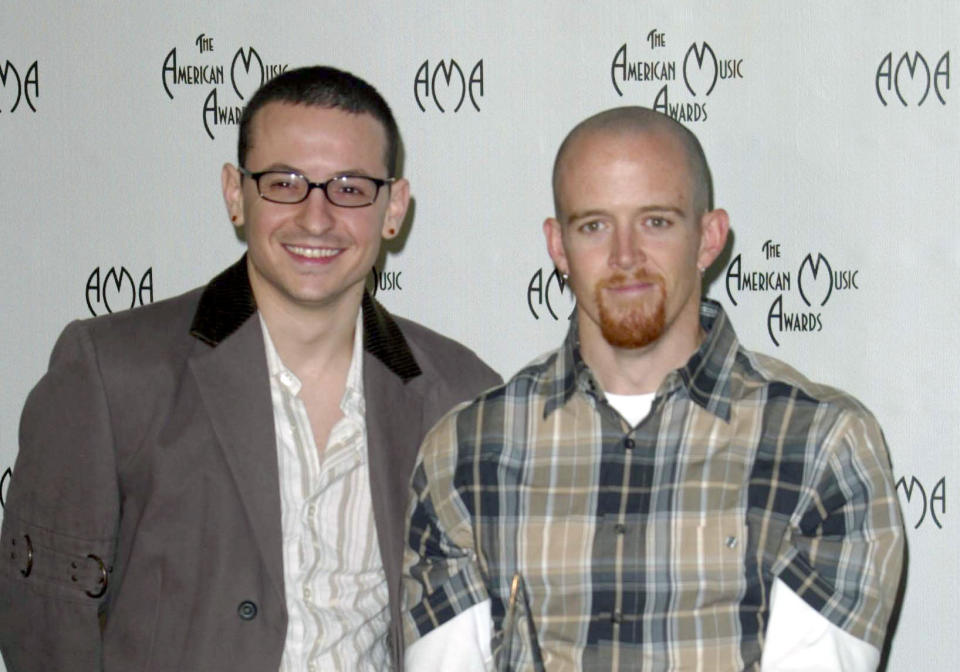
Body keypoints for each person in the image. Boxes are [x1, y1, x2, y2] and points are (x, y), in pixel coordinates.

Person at [0, 65, 500, 672]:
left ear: (392, 208)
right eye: (285, 183)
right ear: (237, 194)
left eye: (348, 187)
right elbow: (46, 630)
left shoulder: (461, 396)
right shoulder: (112, 374)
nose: (316, 218)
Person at [401, 107, 904, 671]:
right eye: (594, 225)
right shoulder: (464, 453)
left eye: (656, 222)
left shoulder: (821, 446)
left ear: (709, 237)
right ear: (558, 247)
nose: (625, 257)